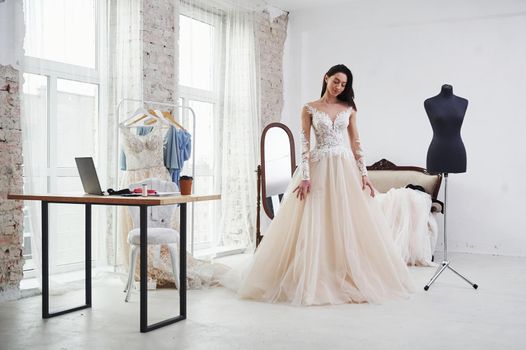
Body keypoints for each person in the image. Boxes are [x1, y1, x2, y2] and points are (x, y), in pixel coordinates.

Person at [235, 64, 415, 305]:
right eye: (336, 81)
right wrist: (306, 176)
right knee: (315, 219)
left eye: (344, 84)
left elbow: (356, 143)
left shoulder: (349, 109)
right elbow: (305, 144)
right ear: (326, 78)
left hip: (344, 169)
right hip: (318, 168)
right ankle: (314, 273)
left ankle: (343, 271)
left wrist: (364, 174)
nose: (339, 87)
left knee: (345, 219)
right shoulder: (310, 108)